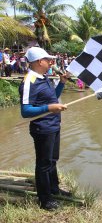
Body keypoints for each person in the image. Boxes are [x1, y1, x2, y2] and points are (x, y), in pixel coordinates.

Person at [19, 47, 70, 211]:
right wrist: (49, 108)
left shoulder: (44, 77)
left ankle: (54, 189)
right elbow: (25, 111)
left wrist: (61, 83)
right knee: (43, 164)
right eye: (48, 60)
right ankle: (45, 199)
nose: (51, 62)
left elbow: (53, 98)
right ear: (39, 62)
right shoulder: (29, 81)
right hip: (42, 129)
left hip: (54, 125)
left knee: (52, 160)